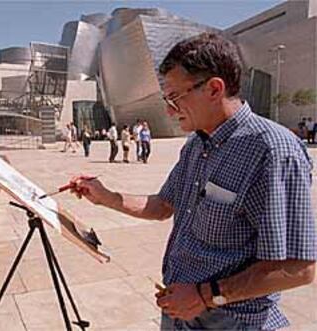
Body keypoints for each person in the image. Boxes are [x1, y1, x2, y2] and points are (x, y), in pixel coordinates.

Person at [69, 33, 316, 331]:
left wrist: (205, 295)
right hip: (181, 309)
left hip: (230, 321)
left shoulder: (273, 152)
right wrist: (106, 196)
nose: (168, 110)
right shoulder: (197, 144)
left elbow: (298, 269)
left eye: (174, 97)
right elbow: (162, 206)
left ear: (214, 89)